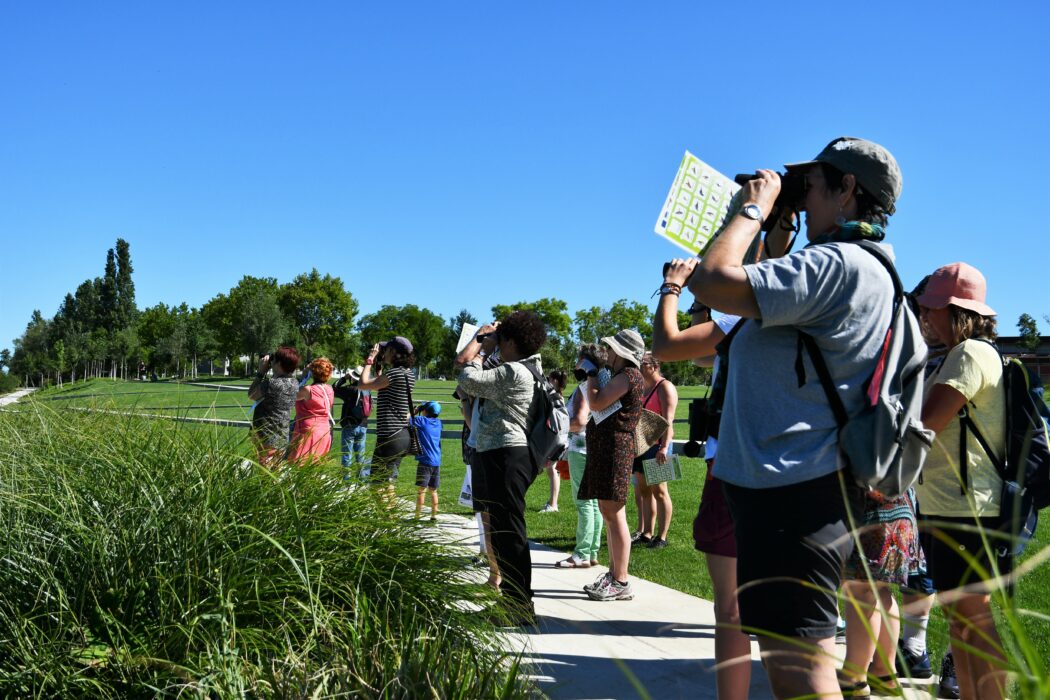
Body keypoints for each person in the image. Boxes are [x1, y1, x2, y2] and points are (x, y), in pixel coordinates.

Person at [679, 136, 904, 698]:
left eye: (811, 184)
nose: (802, 198)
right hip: (797, 485)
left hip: (796, 489)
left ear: (848, 188)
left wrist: (751, 210)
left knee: (798, 668)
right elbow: (763, 298)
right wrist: (778, 229)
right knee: (795, 656)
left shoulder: (837, 263)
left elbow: (712, 283)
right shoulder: (849, 265)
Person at [916, 262, 1010, 700]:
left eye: (932, 310)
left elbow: (926, 422)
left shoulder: (970, 354)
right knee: (960, 619)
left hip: (968, 509)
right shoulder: (960, 354)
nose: (926, 318)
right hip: (945, 503)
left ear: (958, 311)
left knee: (975, 618)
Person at [654, 288, 750, 699]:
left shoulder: (662, 387)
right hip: (765, 467)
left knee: (658, 494)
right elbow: (699, 356)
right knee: (649, 493)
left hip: (668, 448)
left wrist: (675, 291)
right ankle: (652, 535)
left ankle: (657, 535)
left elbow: (674, 347)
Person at [455, 310, 548, 625]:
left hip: (507, 456)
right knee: (505, 532)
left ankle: (520, 609)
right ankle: (513, 604)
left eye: (499, 338)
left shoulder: (515, 372)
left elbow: (468, 378)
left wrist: (481, 345)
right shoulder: (519, 368)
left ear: (510, 340)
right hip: (500, 454)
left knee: (511, 534)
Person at [578, 329, 645, 602]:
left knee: (615, 513)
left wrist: (592, 375)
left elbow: (596, 403)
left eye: (612, 349)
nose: (608, 353)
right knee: (608, 511)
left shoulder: (629, 376)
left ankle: (621, 579)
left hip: (615, 450)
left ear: (622, 353)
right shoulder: (621, 376)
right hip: (606, 449)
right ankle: (613, 574)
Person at [555, 344, 609, 570]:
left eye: (579, 360)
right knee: (595, 504)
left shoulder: (584, 387)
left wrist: (557, 428)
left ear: (585, 362)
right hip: (598, 449)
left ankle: (581, 553)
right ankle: (592, 551)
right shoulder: (605, 383)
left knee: (584, 502)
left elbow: (578, 420)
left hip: (580, 449)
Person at [630, 353, 678, 549]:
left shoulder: (664, 387)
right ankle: (647, 533)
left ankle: (662, 537)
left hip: (659, 446)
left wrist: (665, 447)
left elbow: (668, 420)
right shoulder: (643, 387)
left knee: (660, 491)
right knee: (644, 491)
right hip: (641, 445)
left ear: (653, 366)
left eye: (642, 364)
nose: (639, 368)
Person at [358, 336, 416, 490]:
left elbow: (363, 384)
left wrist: (370, 359)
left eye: (387, 350)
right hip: (402, 435)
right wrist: (379, 371)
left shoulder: (393, 374)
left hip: (389, 436)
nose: (384, 353)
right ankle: (390, 514)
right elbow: (385, 388)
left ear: (395, 352)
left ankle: (386, 515)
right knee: (387, 483)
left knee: (376, 486)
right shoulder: (408, 374)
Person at [247, 346, 300, 468]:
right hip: (282, 435)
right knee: (275, 472)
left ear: (279, 363)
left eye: (273, 360)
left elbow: (251, 395)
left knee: (263, 474)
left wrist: (260, 373)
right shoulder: (294, 383)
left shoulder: (272, 384)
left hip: (265, 436)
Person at [288, 357, 336, 464]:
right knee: (316, 466)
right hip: (324, 431)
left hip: (307, 431)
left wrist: (303, 375)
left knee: (299, 465)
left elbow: (289, 393)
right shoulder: (330, 389)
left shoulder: (307, 390)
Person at [333, 365, 371, 477]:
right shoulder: (366, 389)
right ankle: (361, 479)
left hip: (350, 425)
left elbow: (334, 387)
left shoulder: (350, 389)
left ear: (353, 377)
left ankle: (346, 480)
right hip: (363, 424)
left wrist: (344, 378)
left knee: (347, 455)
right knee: (360, 455)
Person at [539, 369, 568, 513]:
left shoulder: (556, 397)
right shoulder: (557, 396)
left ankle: (553, 504)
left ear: (555, 381)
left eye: (549, 378)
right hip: (556, 438)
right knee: (551, 470)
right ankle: (552, 502)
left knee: (553, 470)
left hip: (556, 439)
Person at [412, 401, 443, 522]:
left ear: (426, 411)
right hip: (436, 461)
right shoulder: (439, 423)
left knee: (421, 490)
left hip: (425, 461)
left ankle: (417, 516)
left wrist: (414, 411)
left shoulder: (421, 421)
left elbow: (407, 419)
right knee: (433, 490)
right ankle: (434, 516)